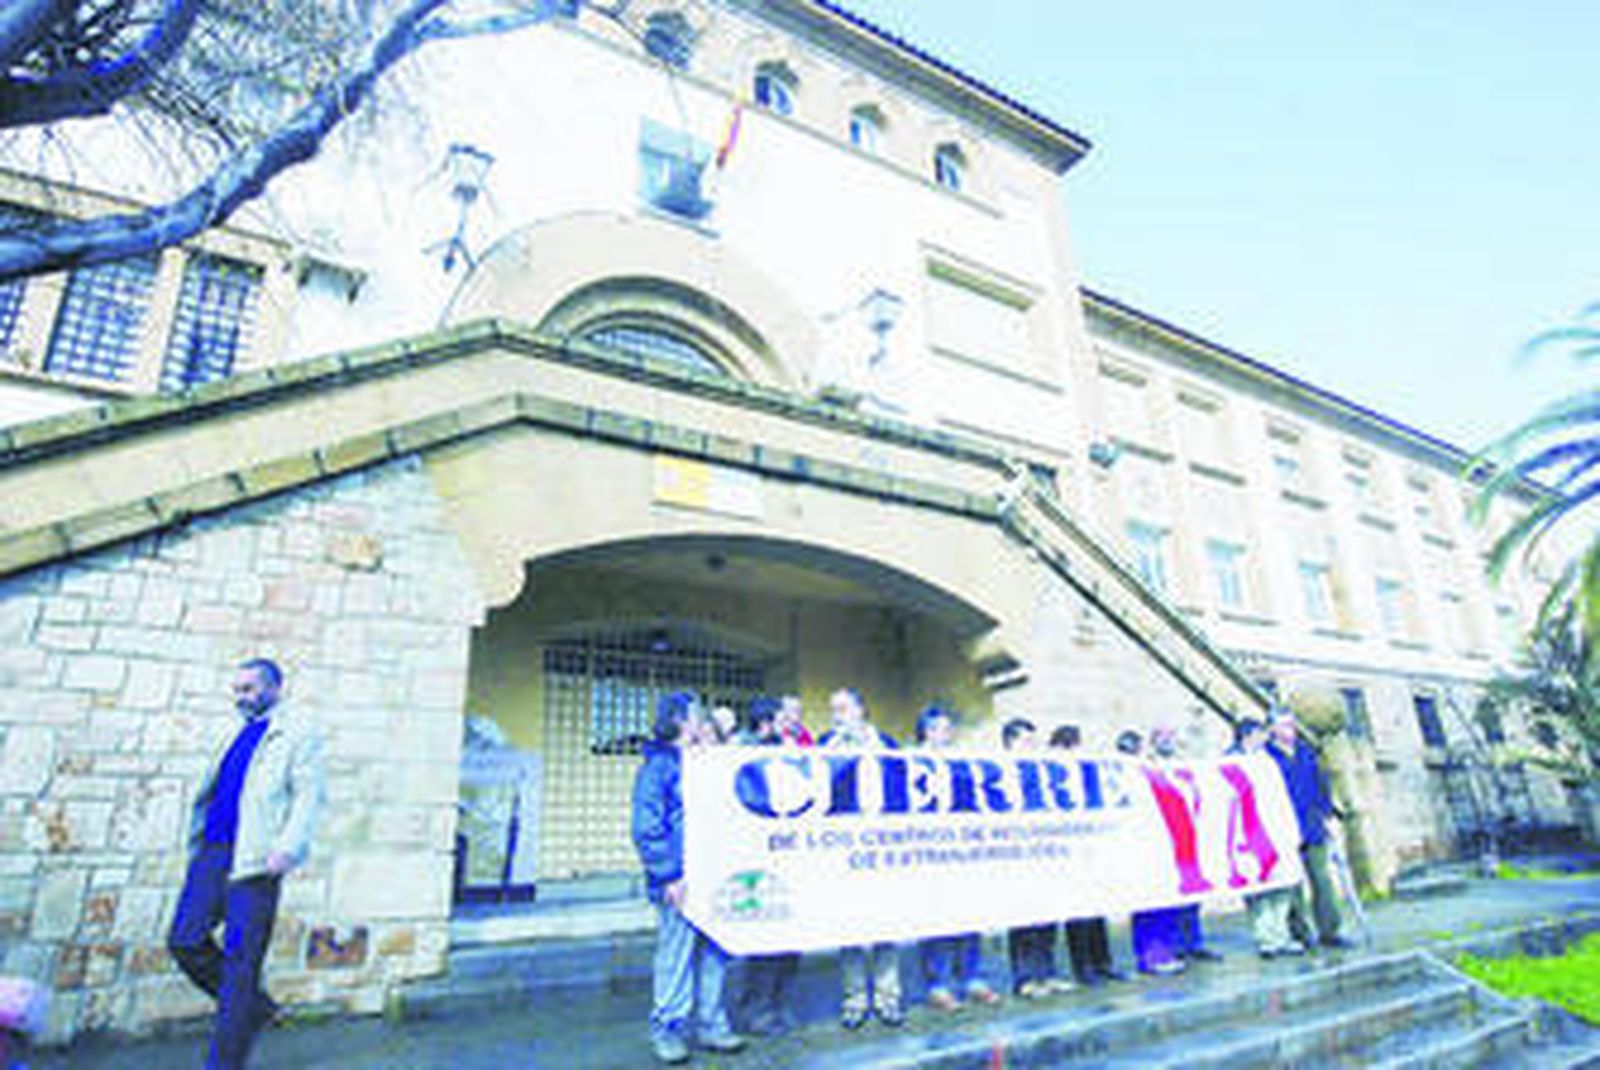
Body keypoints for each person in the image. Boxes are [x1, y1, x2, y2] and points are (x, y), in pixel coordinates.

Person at [168, 658, 325, 1070]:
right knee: (184, 940)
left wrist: (289, 846)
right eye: (236, 689)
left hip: (256, 861)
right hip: (214, 854)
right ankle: (254, 1008)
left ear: (275, 688)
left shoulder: (295, 735)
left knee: (240, 965)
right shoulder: (232, 732)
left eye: (249, 688)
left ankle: (225, 1062)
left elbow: (309, 794)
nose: (240, 696)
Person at [632, 691, 746, 1064]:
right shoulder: (659, 767)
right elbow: (647, 828)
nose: (702, 722)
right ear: (681, 721)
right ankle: (669, 1028)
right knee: (676, 956)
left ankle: (712, 1024)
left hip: (713, 875)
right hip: (680, 879)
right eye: (697, 716)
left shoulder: (702, 762)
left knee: (714, 953)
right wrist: (669, 875)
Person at [818, 688, 904, 1029]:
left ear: (860, 709)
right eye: (832, 709)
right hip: (843, 848)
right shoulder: (826, 743)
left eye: (843, 708)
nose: (837, 715)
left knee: (885, 924)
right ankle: (855, 1000)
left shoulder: (884, 741)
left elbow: (901, 780)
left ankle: (888, 999)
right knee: (849, 926)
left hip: (882, 847)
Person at [914, 706, 1003, 1013]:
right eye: (939, 728)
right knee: (936, 917)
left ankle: (972, 978)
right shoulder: (910, 762)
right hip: (928, 854)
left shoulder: (960, 763)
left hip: (963, 850)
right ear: (926, 731)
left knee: (969, 913)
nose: (946, 734)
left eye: (948, 728)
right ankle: (937, 985)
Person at [736, 696, 806, 1035]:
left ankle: (781, 1004)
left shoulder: (790, 750)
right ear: (765, 722)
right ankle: (757, 1010)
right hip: (757, 861)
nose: (789, 723)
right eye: (782, 718)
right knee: (764, 943)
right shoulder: (741, 752)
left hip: (790, 858)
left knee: (790, 942)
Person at [1265, 705, 1355, 951]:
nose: (1289, 729)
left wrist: (1326, 811)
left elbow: (1320, 784)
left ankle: (1330, 930)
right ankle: (1301, 933)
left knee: (1322, 879)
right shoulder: (1266, 757)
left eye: (1291, 724)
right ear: (1272, 728)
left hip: (1312, 825)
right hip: (1284, 827)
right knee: (1293, 884)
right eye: (1283, 724)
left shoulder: (1306, 753)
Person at [1049, 725, 1127, 985]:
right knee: (1078, 914)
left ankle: (1103, 961)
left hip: (1091, 851)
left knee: (1097, 909)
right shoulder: (1049, 771)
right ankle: (1083, 967)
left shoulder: (1085, 771)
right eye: (1075, 745)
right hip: (1066, 852)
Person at [1004, 719, 1072, 999]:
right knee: (1023, 920)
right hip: (1018, 856)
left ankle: (1048, 972)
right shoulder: (1001, 770)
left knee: (1048, 918)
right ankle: (1025, 979)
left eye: (1034, 741)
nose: (1033, 746)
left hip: (1046, 853)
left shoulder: (1043, 771)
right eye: (1026, 741)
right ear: (1011, 743)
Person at [1230, 717, 1305, 959]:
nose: (1265, 737)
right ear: (1248, 735)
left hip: (1276, 829)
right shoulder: (1230, 761)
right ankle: (1266, 938)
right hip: (1250, 832)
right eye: (1261, 733)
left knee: (1282, 884)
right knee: (1258, 888)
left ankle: (1281, 934)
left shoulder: (1268, 760)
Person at [1148, 725, 1222, 965]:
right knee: (1172, 894)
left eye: (1171, 736)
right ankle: (1174, 944)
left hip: (1190, 836)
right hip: (1166, 838)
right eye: (1163, 737)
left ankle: (1193, 942)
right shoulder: (1148, 766)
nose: (1168, 741)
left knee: (1193, 893)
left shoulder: (1182, 765)